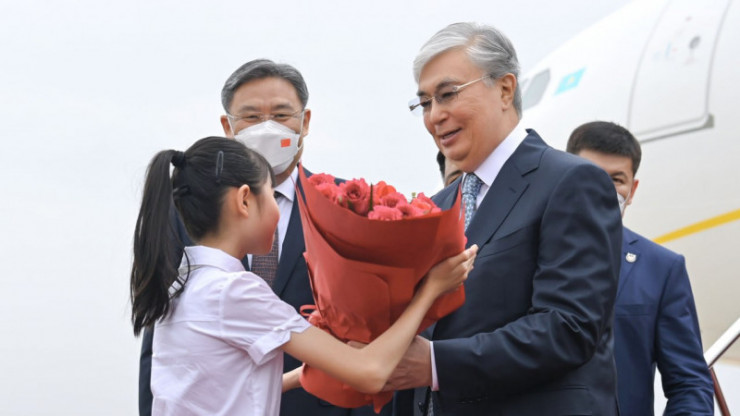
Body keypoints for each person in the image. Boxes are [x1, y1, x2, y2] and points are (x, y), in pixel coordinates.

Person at [130, 136, 477, 415]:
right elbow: (369, 373)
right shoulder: (234, 291)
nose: (279, 209)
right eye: (272, 194)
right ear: (245, 201)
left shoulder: (184, 285)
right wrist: (431, 290)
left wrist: (306, 373)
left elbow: (223, 386)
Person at [389, 22, 623, 415]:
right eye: (425, 103)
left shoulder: (570, 181)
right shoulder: (435, 207)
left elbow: (568, 327)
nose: (435, 116)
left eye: (447, 95)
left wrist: (435, 364)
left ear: (505, 89)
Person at [137, 59, 392, 416]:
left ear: (305, 121)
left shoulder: (348, 205)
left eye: (281, 115)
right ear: (227, 126)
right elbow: (160, 354)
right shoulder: (185, 209)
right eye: (252, 117)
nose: (267, 128)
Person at [567, 121, 714, 415]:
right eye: (591, 174)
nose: (604, 189)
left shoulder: (662, 268)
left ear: (632, 190)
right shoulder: (525, 253)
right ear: (565, 178)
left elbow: (689, 384)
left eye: (616, 179)